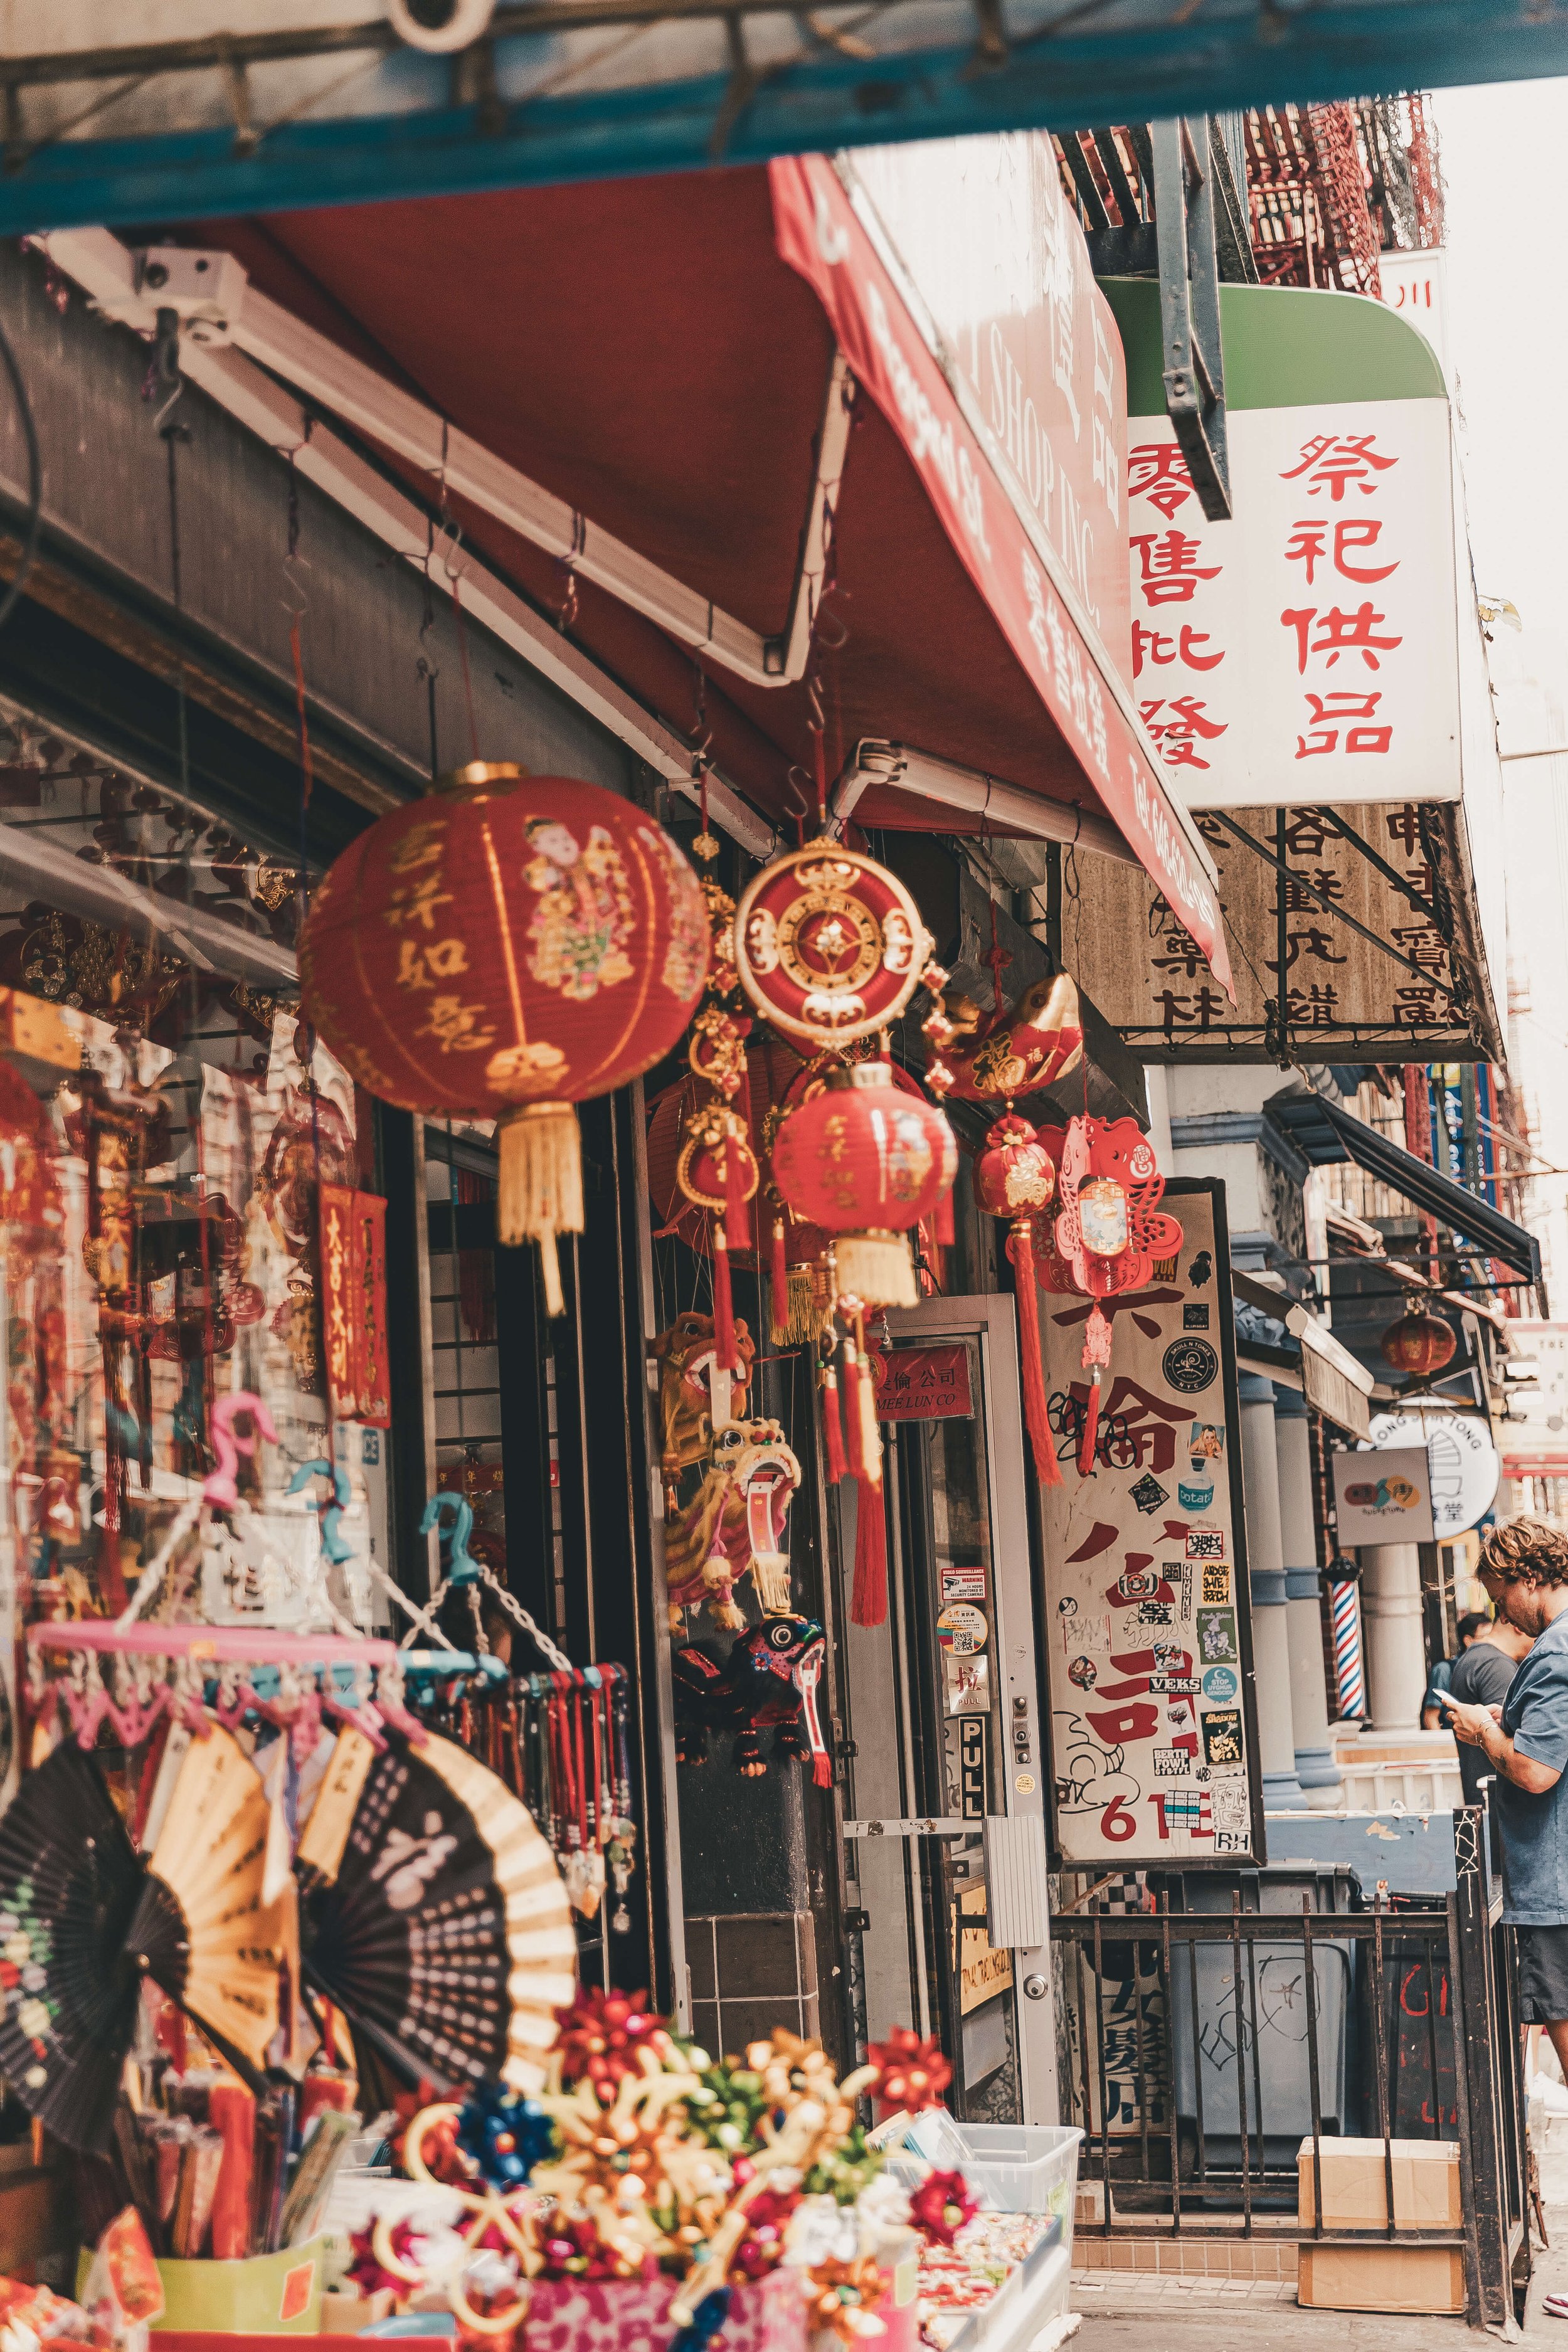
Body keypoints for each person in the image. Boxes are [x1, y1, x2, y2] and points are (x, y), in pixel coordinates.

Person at [1444, 1518, 1568, 2077]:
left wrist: (1484, 1734)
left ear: (1531, 1578)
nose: (1505, 1614)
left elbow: (1536, 1772)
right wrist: (1510, 1719)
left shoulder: (1554, 1654)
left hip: (1555, 1885)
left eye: (1503, 1597)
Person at [1423, 1610, 1492, 1729]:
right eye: (1485, 1637)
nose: (1491, 1642)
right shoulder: (1444, 1670)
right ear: (1468, 1641)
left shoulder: (1490, 1669)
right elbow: (1431, 1717)